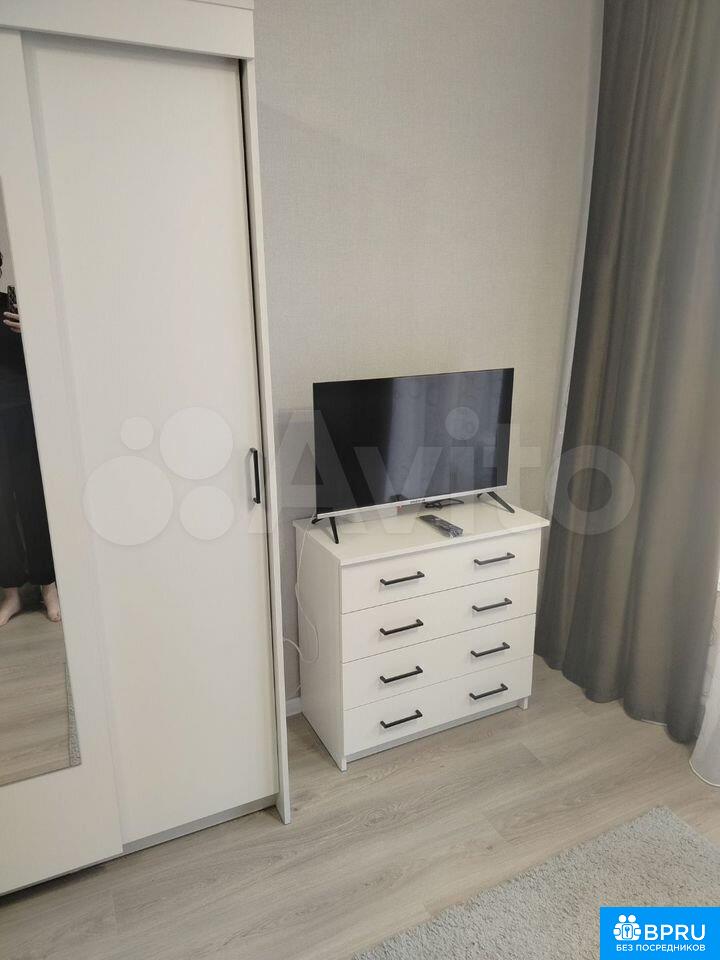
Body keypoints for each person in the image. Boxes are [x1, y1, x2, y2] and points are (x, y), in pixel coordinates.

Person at [0, 250, 61, 625]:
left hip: (24, 410)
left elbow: (51, 359)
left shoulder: (19, 306)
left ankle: (47, 583)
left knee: (34, 499)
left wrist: (34, 331)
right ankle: (10, 592)